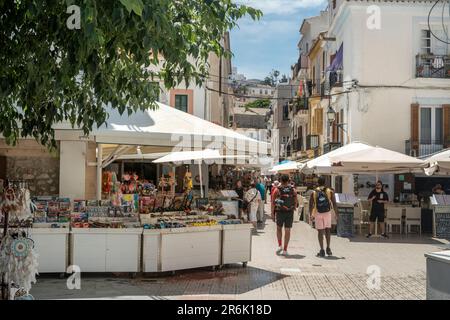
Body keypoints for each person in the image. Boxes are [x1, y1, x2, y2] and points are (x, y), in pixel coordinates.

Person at [309, 176, 337, 257]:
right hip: (327, 213)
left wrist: (311, 214)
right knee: (328, 230)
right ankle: (328, 248)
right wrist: (336, 214)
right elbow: (334, 203)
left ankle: (322, 250)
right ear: (325, 182)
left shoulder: (314, 192)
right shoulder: (329, 191)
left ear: (318, 182)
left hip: (318, 212)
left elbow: (311, 204)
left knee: (320, 232)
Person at [271, 175, 298, 256]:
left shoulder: (277, 190)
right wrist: (293, 207)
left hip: (280, 212)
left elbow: (273, 202)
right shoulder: (293, 189)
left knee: (279, 228)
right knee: (287, 230)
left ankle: (280, 245)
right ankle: (285, 249)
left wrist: (272, 213)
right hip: (289, 212)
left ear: (280, 181)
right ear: (288, 180)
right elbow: (296, 201)